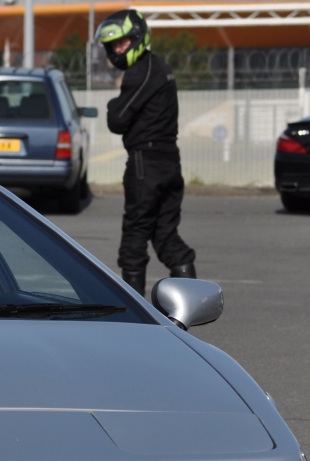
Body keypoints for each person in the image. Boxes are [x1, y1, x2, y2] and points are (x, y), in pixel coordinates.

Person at [95, 9, 197, 296]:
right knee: (165, 235)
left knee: (134, 239)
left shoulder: (141, 72)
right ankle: (191, 301)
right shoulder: (160, 67)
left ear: (137, 38)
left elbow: (118, 120)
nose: (117, 50)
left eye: (123, 43)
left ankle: (135, 320)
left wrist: (112, 105)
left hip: (146, 165)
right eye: (114, 46)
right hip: (168, 162)